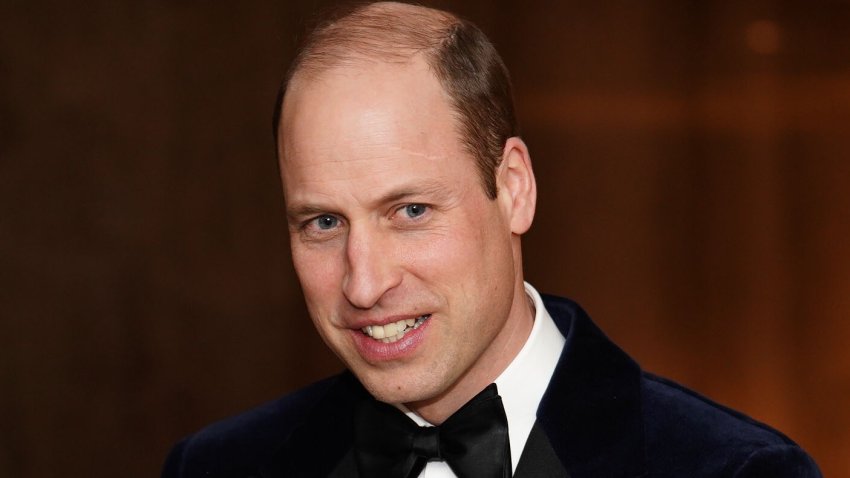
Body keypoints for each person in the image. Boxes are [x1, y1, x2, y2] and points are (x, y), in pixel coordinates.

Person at [162, 2, 821, 477]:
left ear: (514, 189)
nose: (363, 283)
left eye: (410, 210)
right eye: (324, 223)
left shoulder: (733, 470)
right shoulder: (218, 466)